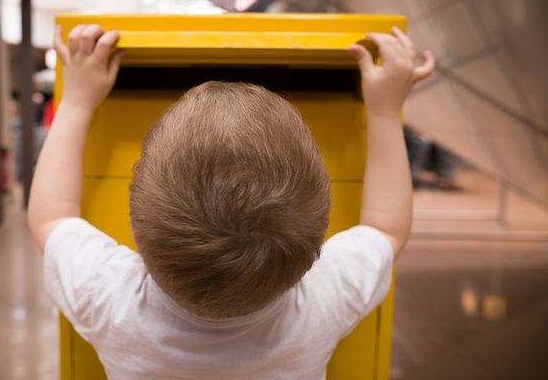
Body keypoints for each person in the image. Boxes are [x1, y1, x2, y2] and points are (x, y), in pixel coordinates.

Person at [28, 24, 434, 379]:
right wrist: (383, 112)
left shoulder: (111, 299)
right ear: (317, 232)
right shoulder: (323, 300)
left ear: (134, 220)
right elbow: (386, 226)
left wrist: (77, 102)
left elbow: (51, 216)